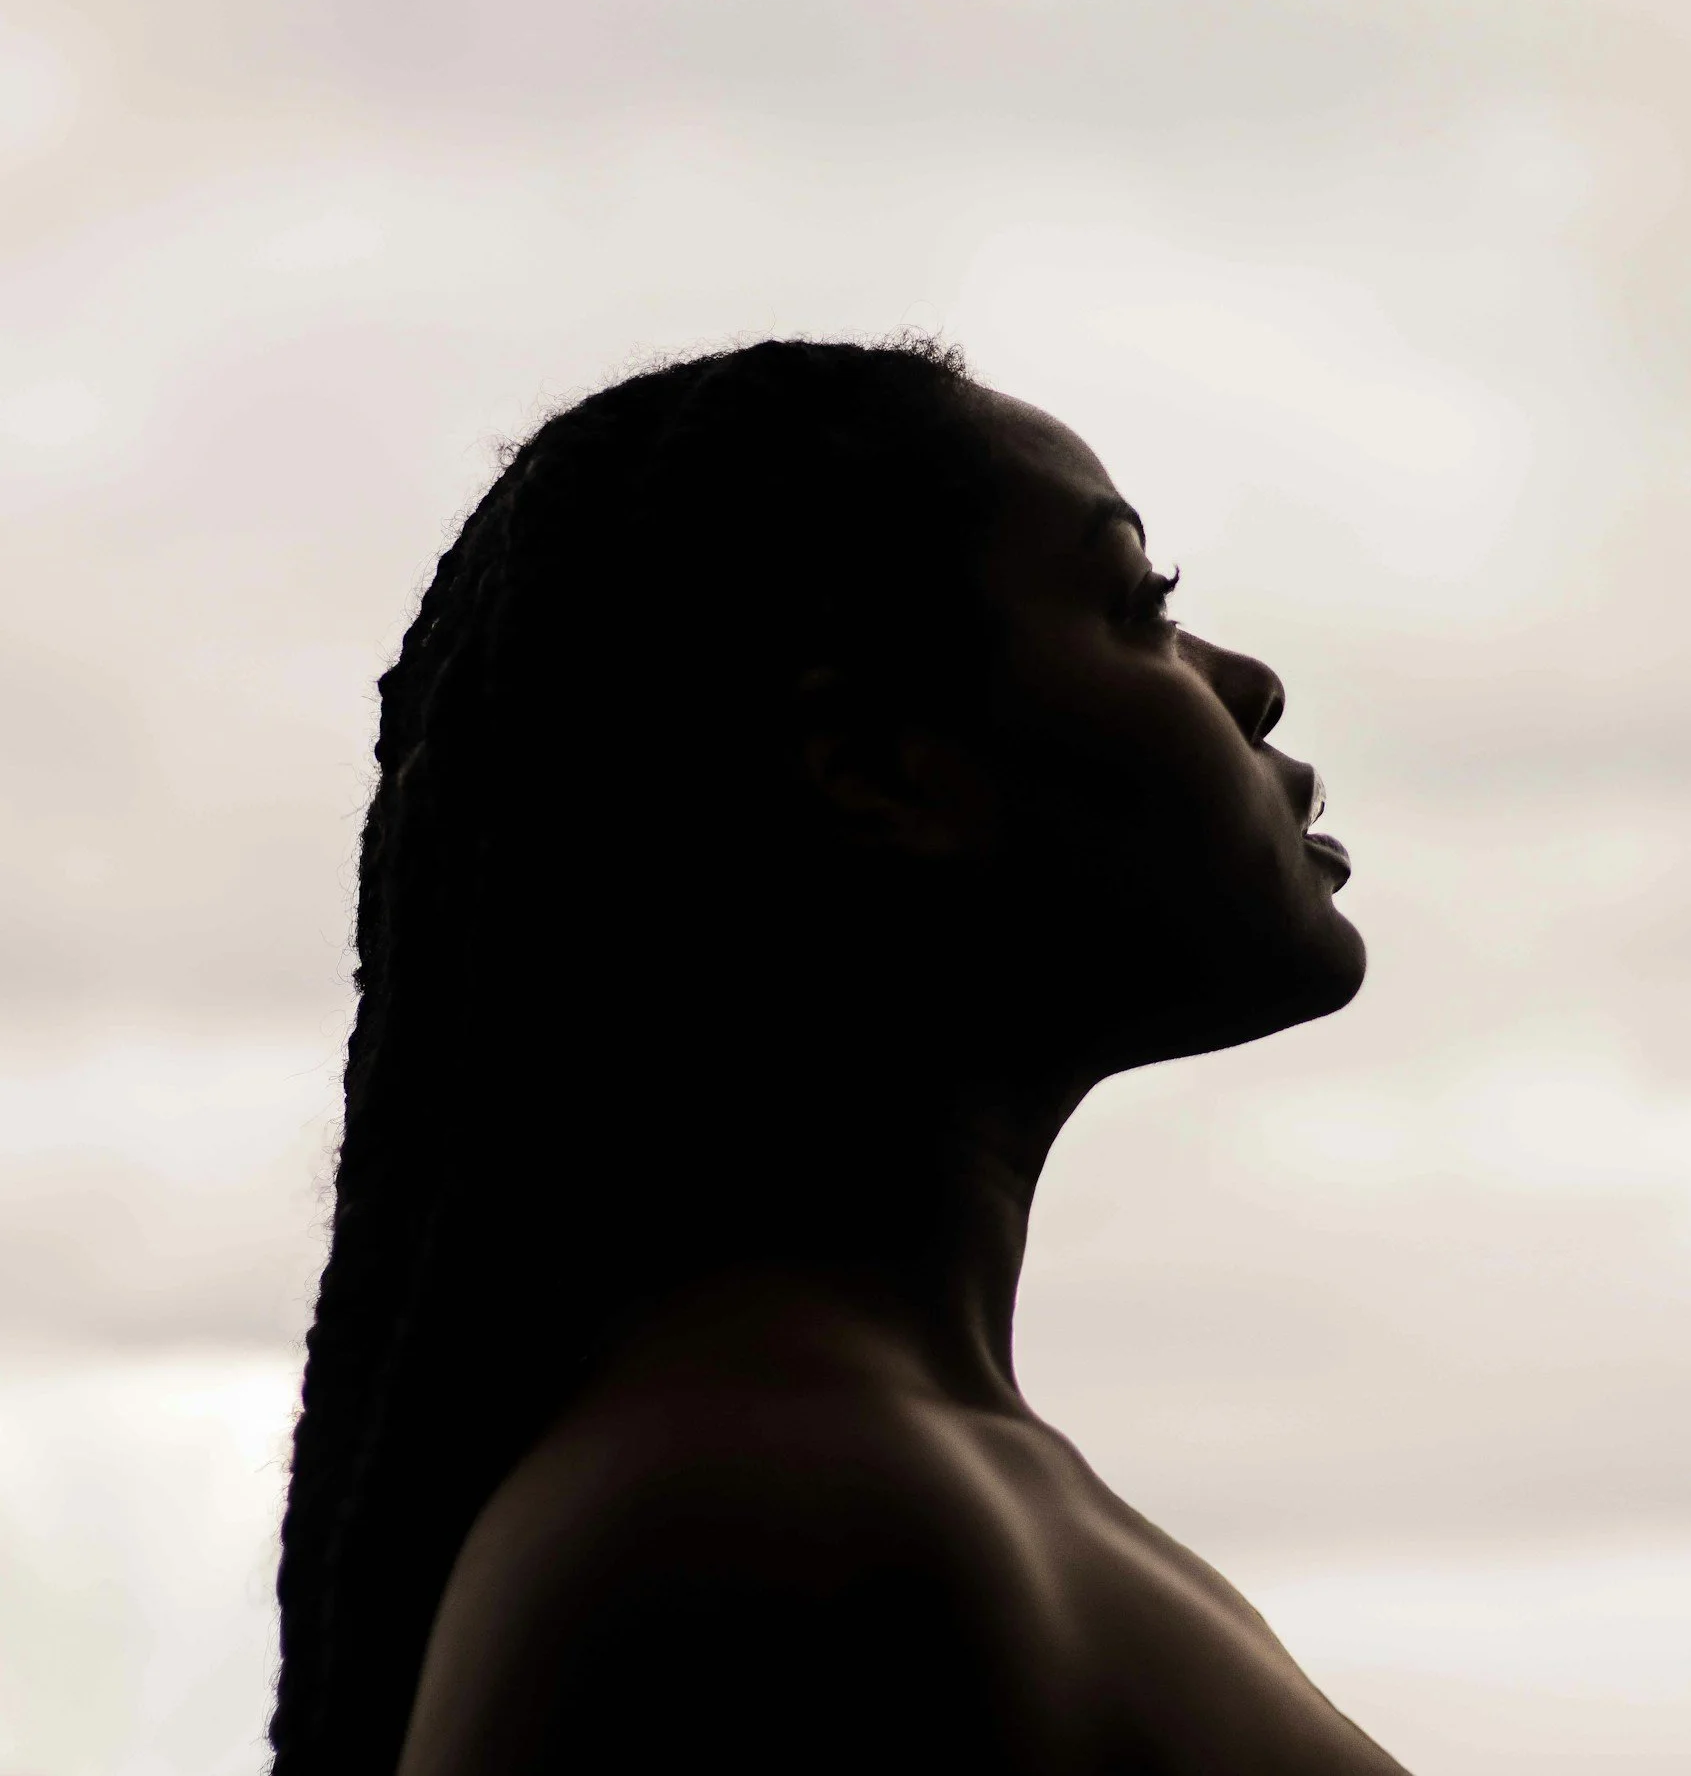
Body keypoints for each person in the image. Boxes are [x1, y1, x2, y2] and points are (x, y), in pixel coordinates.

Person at [271, 334, 1407, 1776]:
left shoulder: (858, 1481)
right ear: (876, 770)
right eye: (1135, 605)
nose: (1246, 681)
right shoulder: (768, 1524)